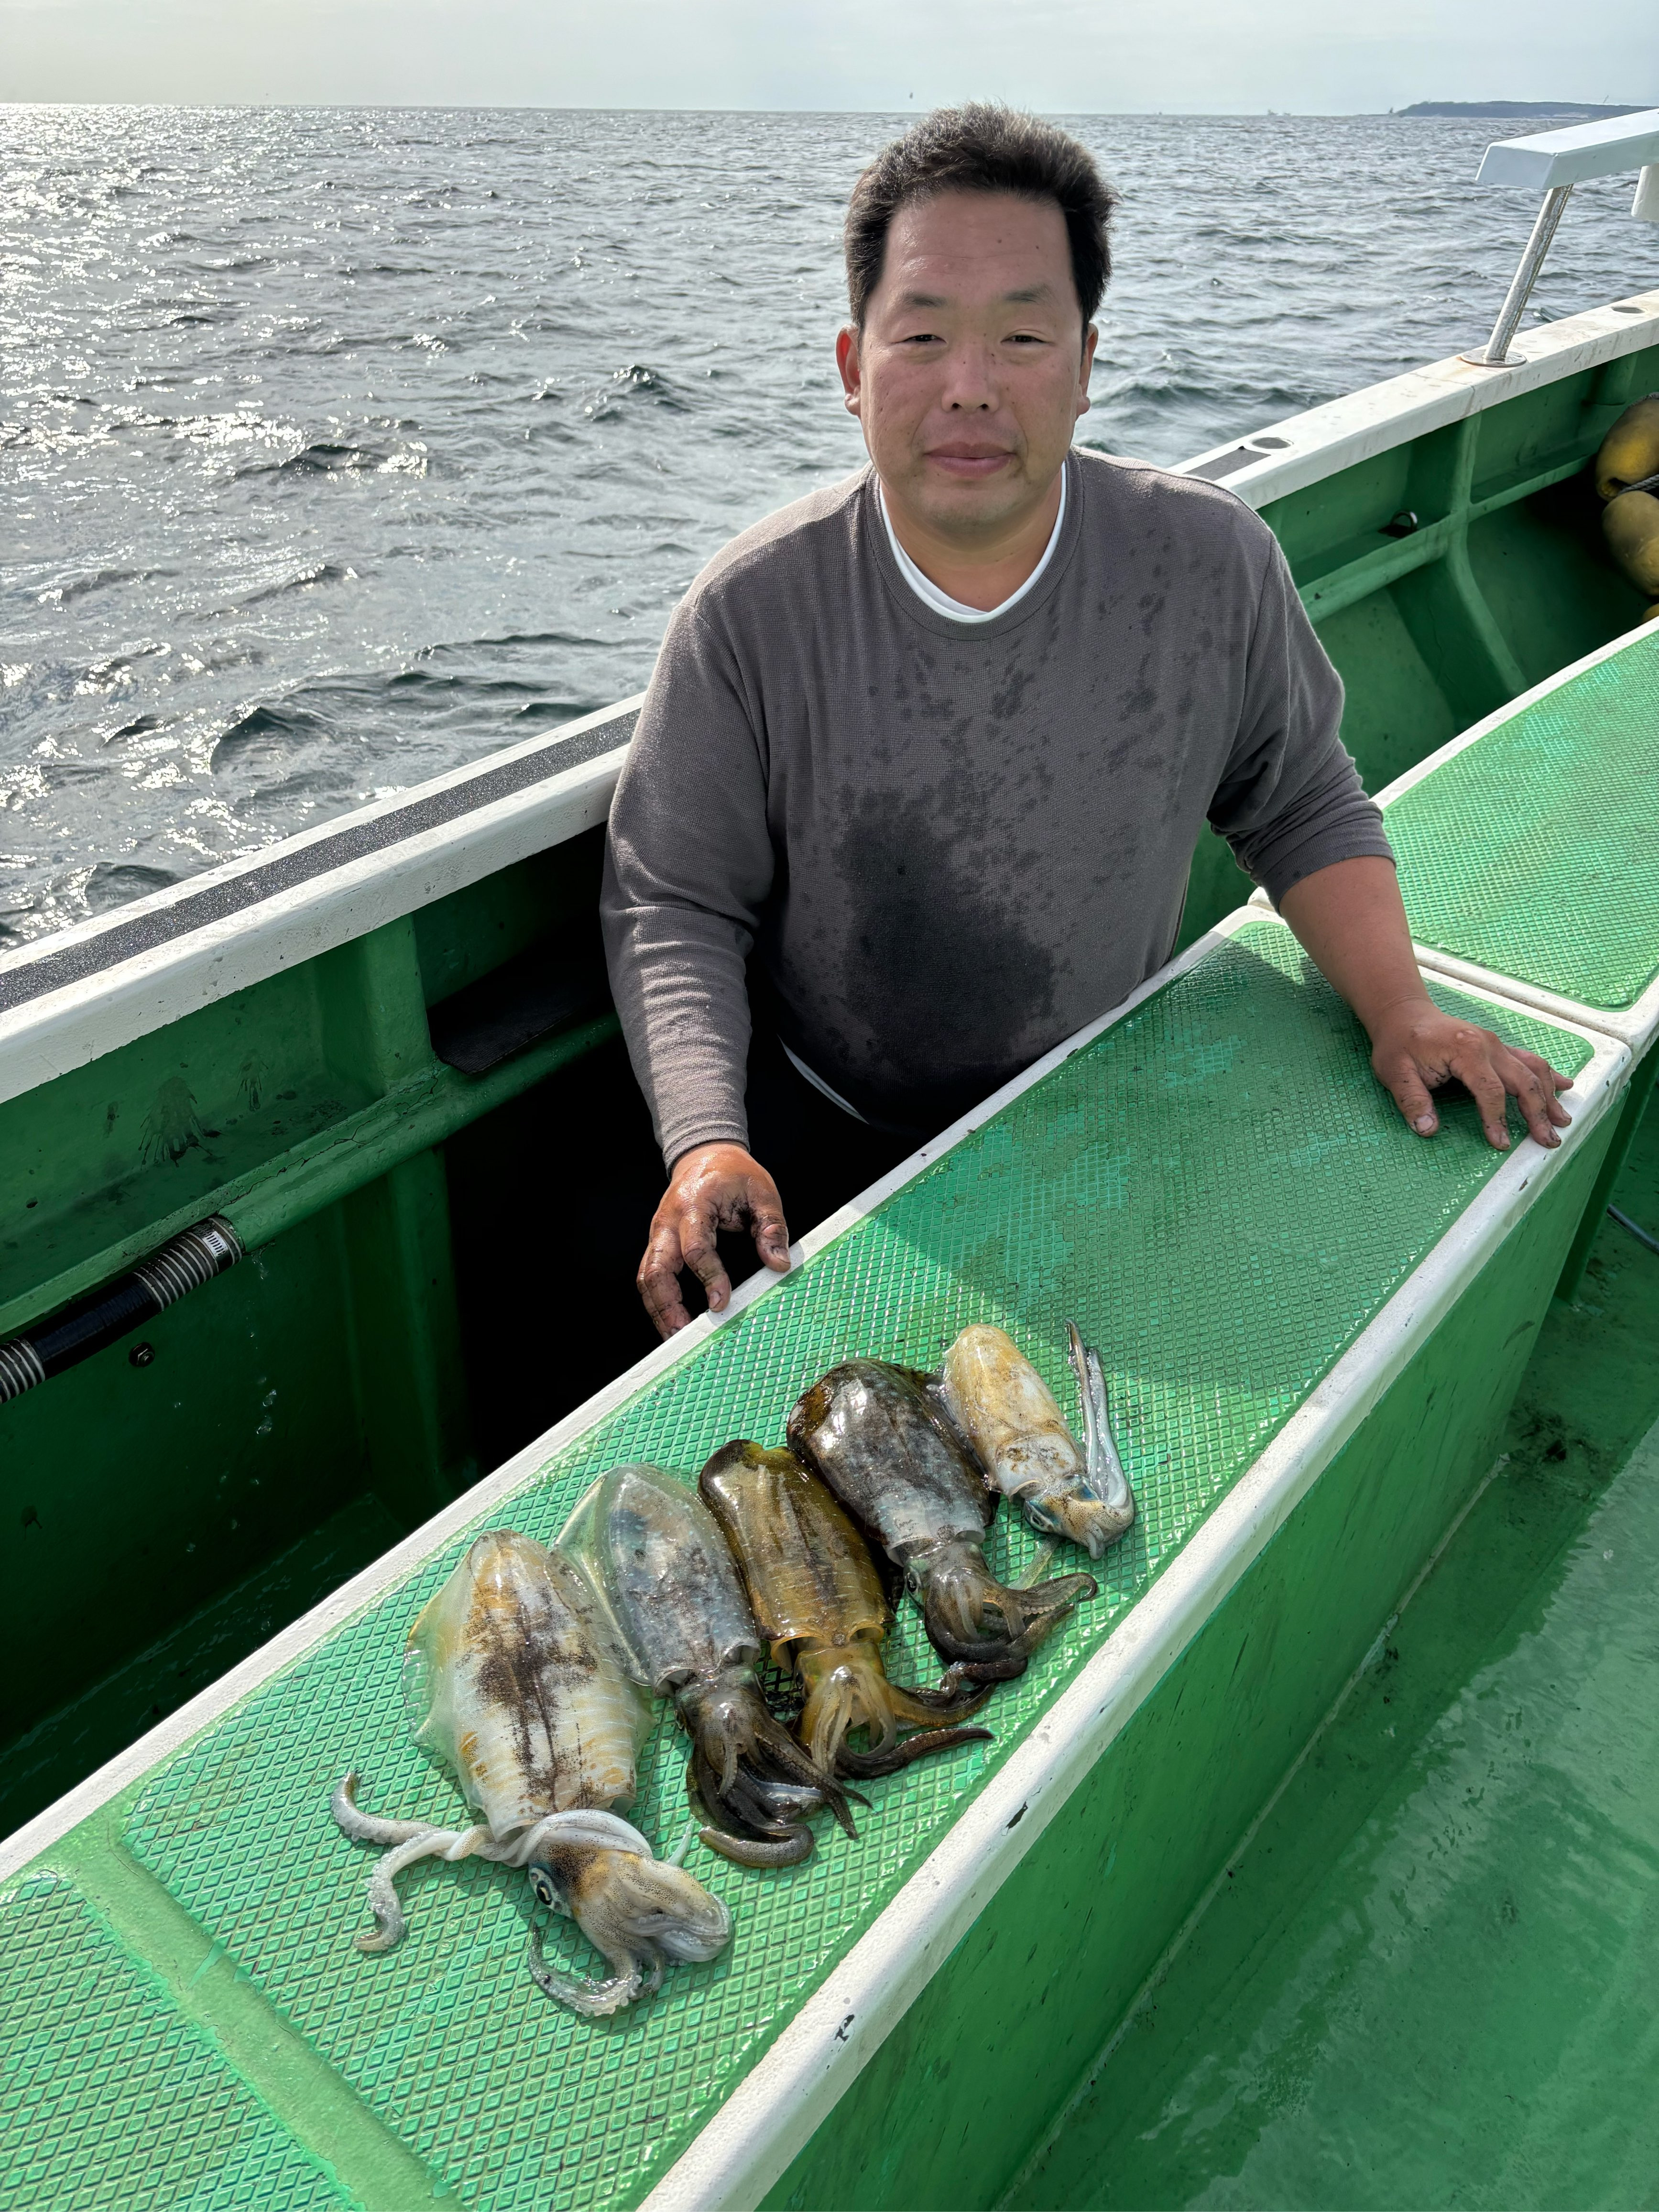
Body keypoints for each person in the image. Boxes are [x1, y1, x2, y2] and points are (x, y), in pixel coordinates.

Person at [602, 105, 1572, 1339]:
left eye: (1021, 335)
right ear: (854, 367)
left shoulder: (1210, 560)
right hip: (826, 1141)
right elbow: (676, 898)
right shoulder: (751, 610)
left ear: (1086, 363)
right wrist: (706, 1143)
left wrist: (1404, 1009)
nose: (969, 385)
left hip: (1106, 1098)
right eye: (923, 335)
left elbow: (1299, 798)